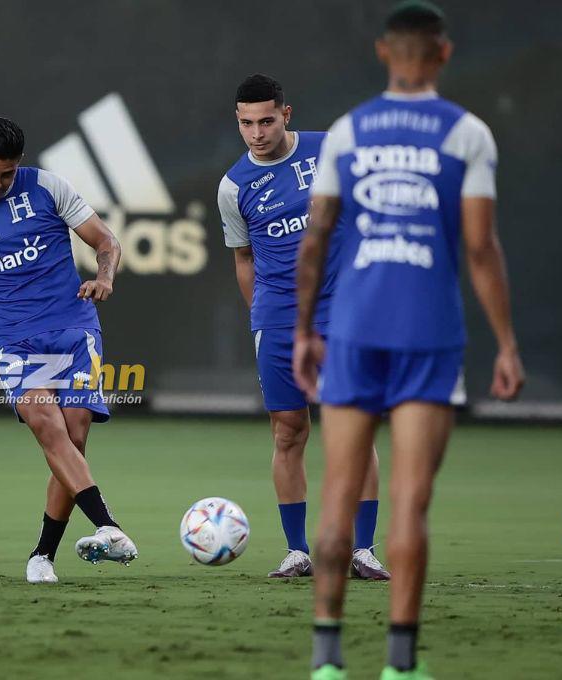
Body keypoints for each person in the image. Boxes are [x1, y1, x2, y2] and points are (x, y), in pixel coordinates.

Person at [293, 2, 524, 678]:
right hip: (428, 335)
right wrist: (507, 343)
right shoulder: (467, 134)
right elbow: (480, 247)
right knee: (410, 501)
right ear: (443, 53)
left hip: (353, 331)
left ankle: (328, 659)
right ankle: (399, 662)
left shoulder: (347, 131)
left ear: (382, 52)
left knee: (337, 496)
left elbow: (315, 241)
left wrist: (304, 331)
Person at [0, 116, 137, 585]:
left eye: (6, 173)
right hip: (16, 341)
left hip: (74, 329)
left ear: (19, 164)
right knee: (47, 425)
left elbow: (106, 241)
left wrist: (104, 277)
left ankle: (43, 555)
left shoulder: (47, 187)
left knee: (74, 438)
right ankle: (108, 526)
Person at [218, 74, 388, 580]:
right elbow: (244, 259)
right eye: (247, 123)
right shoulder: (233, 186)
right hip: (278, 318)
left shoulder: (331, 150)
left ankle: (363, 550)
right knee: (289, 431)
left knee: (352, 425)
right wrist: (262, 317)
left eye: (266, 121)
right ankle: (297, 551)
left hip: (342, 310)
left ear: (286, 115)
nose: (256, 133)